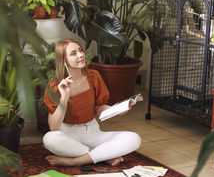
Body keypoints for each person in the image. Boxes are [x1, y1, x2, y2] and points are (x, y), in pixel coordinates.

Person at [43, 39, 141, 167]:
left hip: (93, 132)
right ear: (64, 60)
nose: (81, 55)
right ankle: (101, 156)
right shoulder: (54, 87)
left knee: (134, 138)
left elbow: (99, 107)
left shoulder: (93, 77)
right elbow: (54, 127)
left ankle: (76, 160)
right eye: (73, 53)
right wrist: (64, 96)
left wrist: (114, 110)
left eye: (80, 50)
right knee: (49, 139)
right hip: (68, 135)